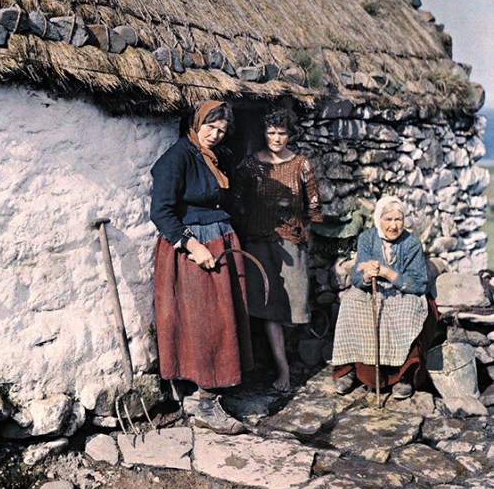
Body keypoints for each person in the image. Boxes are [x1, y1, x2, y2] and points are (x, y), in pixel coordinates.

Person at [150, 100, 253, 434]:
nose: (215, 134)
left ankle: (213, 390)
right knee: (205, 322)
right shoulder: (176, 158)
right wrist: (193, 245)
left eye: (221, 130)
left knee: (223, 320)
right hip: (193, 250)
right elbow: (162, 212)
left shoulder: (215, 158)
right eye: (209, 126)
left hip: (220, 241)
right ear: (195, 124)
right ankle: (203, 401)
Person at [234, 108, 322, 391]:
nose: (276, 138)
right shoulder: (251, 165)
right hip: (259, 242)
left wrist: (303, 229)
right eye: (271, 132)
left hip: (291, 242)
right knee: (270, 309)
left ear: (289, 134)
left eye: (281, 133)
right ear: (264, 132)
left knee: (298, 308)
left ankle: (277, 354)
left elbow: (315, 205)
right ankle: (282, 368)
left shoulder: (301, 164)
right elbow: (236, 199)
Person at [332, 195, 437, 399]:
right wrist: (366, 274)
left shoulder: (412, 243)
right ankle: (350, 368)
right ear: (378, 219)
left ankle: (403, 376)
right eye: (388, 219)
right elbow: (356, 277)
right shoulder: (367, 238)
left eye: (398, 219)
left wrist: (388, 273)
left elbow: (419, 284)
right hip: (371, 290)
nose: (394, 225)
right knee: (350, 304)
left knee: (408, 312)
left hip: (403, 291)